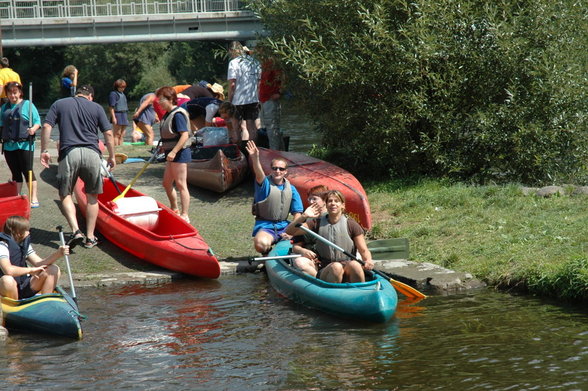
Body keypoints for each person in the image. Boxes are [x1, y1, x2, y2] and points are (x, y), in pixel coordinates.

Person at [40, 85, 116, 249]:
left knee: (65, 193)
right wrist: (112, 156)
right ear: (90, 96)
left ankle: (75, 231)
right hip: (92, 154)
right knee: (92, 196)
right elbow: (108, 134)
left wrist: (44, 150)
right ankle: (90, 237)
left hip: (69, 153)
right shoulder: (96, 107)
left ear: (77, 94)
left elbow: (46, 126)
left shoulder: (59, 103)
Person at [285, 190, 374, 283]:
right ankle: (334, 293)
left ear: (342, 205)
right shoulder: (316, 223)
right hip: (326, 269)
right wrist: (303, 216)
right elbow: (290, 231)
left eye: (336, 201)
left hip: (347, 265)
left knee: (355, 265)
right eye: (330, 201)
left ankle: (361, 292)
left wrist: (368, 260)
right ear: (326, 205)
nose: (333, 203)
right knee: (336, 267)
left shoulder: (352, 225)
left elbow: (363, 250)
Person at [246, 140, 303, 254]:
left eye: (281, 169)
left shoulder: (291, 189)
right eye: (275, 168)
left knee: (304, 236)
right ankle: (267, 253)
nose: (278, 171)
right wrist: (255, 158)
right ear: (271, 170)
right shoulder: (264, 184)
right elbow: (259, 173)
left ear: (286, 171)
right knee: (260, 244)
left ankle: (293, 252)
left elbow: (297, 214)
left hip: (285, 226)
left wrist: (292, 231)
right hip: (266, 226)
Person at [0, 216, 68, 300]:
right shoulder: (2, 246)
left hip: (23, 284)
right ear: (18, 232)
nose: (29, 232)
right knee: (7, 280)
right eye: (27, 230)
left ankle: (45, 303)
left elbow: (39, 263)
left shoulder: (23, 243)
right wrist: (31, 270)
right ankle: (15, 308)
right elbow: (8, 270)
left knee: (53, 269)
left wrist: (58, 254)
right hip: (6, 287)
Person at [0, 81, 42, 207]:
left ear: (19, 93)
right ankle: (16, 196)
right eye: (10, 93)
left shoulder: (28, 105)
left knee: (27, 170)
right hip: (9, 145)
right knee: (15, 172)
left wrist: (33, 129)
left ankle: (33, 197)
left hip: (25, 145)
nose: (12, 96)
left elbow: (37, 121)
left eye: (15, 93)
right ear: (6, 94)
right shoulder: (4, 108)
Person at [155, 86, 192, 223]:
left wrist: (174, 151)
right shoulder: (167, 115)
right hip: (171, 153)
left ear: (170, 99)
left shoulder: (178, 115)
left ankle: (185, 214)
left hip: (180, 153)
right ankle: (174, 208)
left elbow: (184, 135)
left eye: (161, 99)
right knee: (166, 183)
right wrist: (164, 148)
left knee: (181, 184)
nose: (159, 102)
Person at [288, 185, 329, 277]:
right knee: (300, 263)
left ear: (324, 200)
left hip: (330, 259)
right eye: (309, 199)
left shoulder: (334, 218)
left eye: (314, 199)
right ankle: (320, 280)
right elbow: (295, 246)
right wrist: (303, 251)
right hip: (312, 260)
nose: (311, 202)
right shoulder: (308, 221)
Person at [227, 41, 261, 144]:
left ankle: (240, 151)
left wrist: (230, 101)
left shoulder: (233, 63)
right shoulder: (255, 62)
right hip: (253, 99)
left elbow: (232, 85)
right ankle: (253, 149)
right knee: (252, 127)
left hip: (238, 100)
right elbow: (259, 83)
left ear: (232, 51)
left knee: (238, 126)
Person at [259, 56, 285, 150]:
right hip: (264, 99)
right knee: (270, 127)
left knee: (272, 128)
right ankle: (281, 152)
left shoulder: (273, 63)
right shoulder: (264, 64)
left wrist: (280, 93)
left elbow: (283, 78)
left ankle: (275, 153)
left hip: (270, 99)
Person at [109, 79, 129, 146]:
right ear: (117, 86)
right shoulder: (113, 94)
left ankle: (121, 146)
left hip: (124, 114)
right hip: (117, 114)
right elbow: (111, 107)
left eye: (124, 87)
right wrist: (113, 117)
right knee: (117, 133)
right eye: (121, 87)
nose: (123, 89)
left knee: (122, 134)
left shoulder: (122, 94)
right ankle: (116, 147)